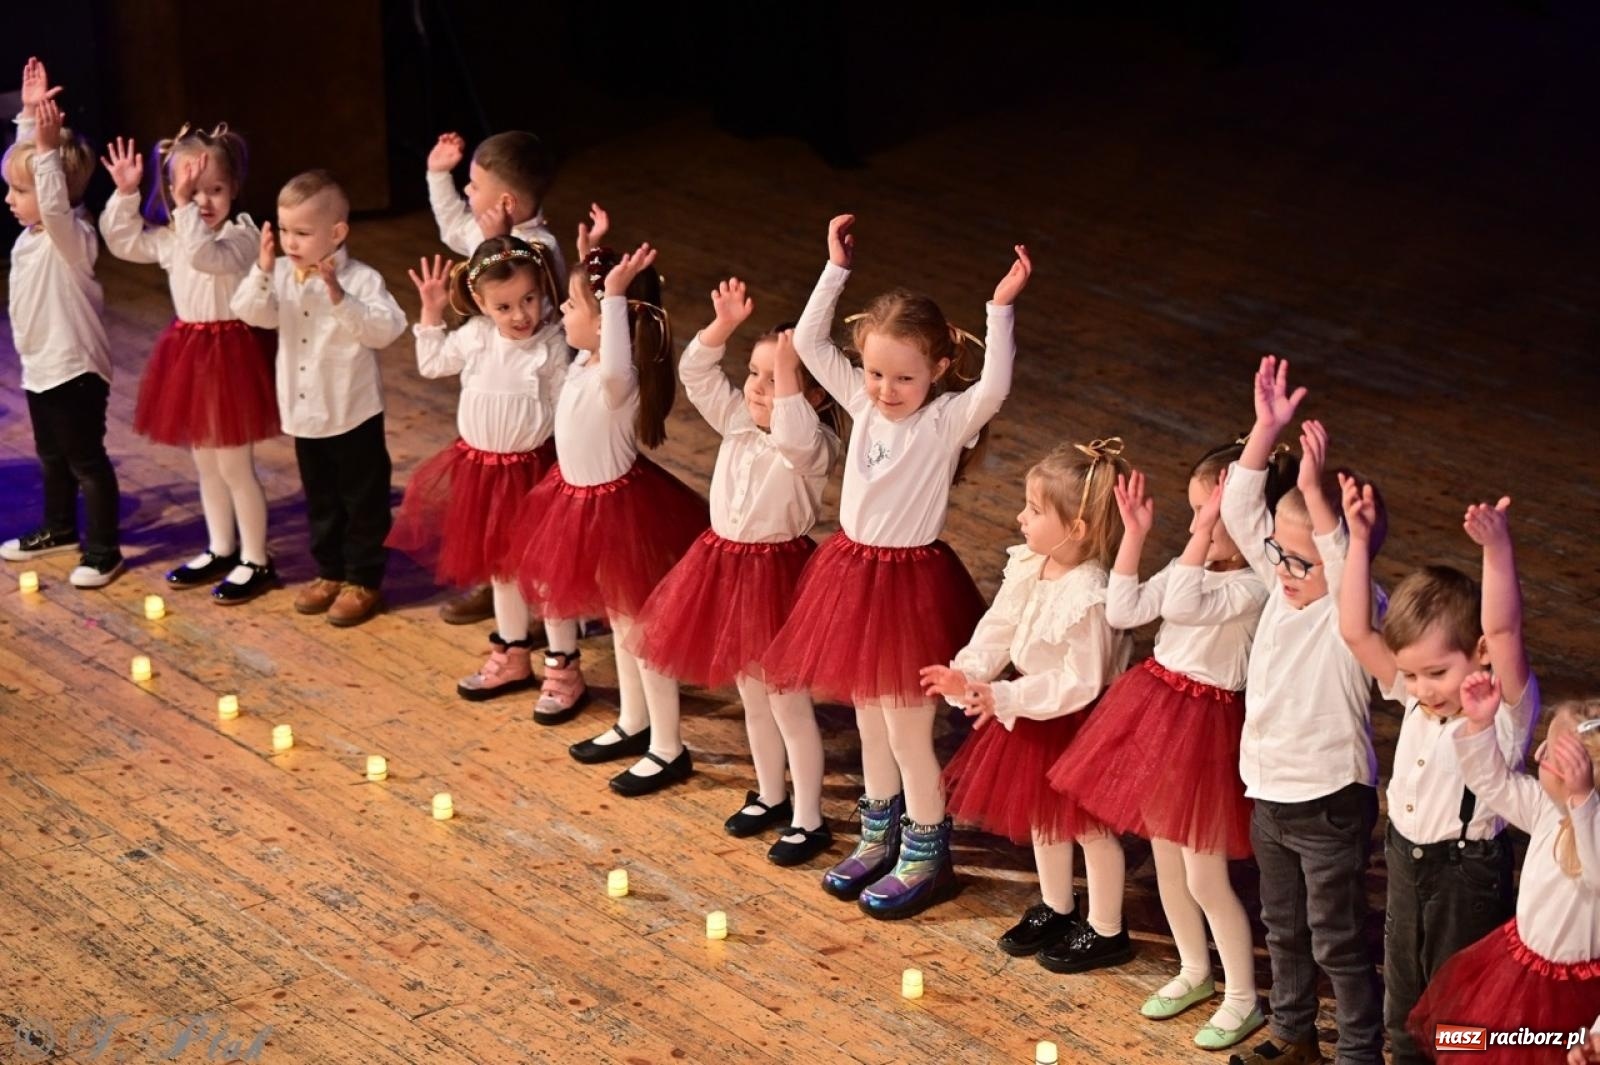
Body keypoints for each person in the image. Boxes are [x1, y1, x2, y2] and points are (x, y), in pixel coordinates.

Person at [763, 214, 1029, 919]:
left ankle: (925, 851)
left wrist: (999, 310)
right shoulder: (859, 399)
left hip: (909, 586)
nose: (884, 388)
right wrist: (835, 269)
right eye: (876, 371)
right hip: (851, 576)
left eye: (903, 376)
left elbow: (995, 389)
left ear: (939, 370)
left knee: (909, 730)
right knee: (871, 722)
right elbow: (811, 341)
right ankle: (878, 834)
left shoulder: (943, 421)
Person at [628, 278, 841, 864]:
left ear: (814, 396)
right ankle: (771, 793)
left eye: (778, 381)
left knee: (787, 701)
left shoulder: (810, 444)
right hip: (723, 567)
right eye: (755, 373)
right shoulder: (740, 424)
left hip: (777, 575)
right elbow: (696, 373)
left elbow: (795, 426)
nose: (759, 388)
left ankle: (808, 816)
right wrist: (720, 328)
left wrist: (794, 375)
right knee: (752, 694)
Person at [99, 125, 280, 602]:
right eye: (192, 191)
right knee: (206, 463)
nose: (203, 200)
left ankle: (256, 558)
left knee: (235, 465)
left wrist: (180, 204)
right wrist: (124, 193)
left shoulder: (241, 237)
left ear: (234, 188)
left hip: (232, 357)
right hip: (191, 356)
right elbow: (122, 243)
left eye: (214, 189)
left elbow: (206, 257)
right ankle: (221, 546)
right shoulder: (173, 235)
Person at [389, 239, 569, 696]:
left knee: (545, 573)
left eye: (528, 299)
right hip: (481, 472)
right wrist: (429, 312)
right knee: (501, 571)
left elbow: (568, 408)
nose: (520, 314)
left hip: (533, 473)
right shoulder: (476, 336)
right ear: (481, 303)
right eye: (504, 306)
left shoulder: (549, 344)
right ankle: (511, 654)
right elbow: (431, 364)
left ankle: (563, 666)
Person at [231, 170, 406, 626]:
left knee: (363, 500)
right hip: (304, 412)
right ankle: (329, 571)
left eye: (302, 233)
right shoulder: (282, 277)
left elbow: (386, 330)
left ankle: (363, 578)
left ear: (337, 232)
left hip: (351, 412)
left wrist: (339, 297)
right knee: (321, 499)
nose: (290, 241)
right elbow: (251, 313)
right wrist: (263, 270)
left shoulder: (362, 280)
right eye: (284, 230)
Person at [1, 60, 122, 589]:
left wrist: (47, 152)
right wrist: (29, 120)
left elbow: (50, 196)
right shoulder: (33, 236)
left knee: (85, 461)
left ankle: (103, 550)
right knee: (51, 456)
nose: (8, 198)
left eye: (17, 192)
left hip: (74, 368)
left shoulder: (69, 237)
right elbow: (33, 180)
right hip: (41, 365)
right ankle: (58, 528)